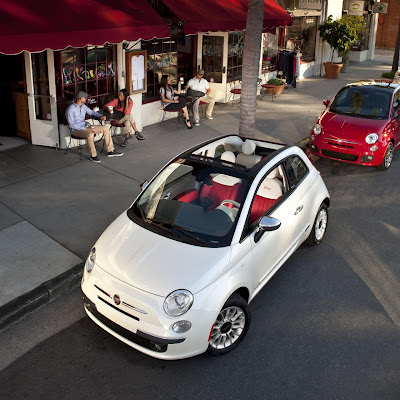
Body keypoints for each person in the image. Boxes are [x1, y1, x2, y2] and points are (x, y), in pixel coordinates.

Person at [66, 91, 123, 163]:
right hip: (76, 130)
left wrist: (100, 116)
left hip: (86, 126)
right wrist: (86, 128)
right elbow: (71, 125)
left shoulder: (83, 106)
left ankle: (110, 151)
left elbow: (92, 112)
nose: (86, 98)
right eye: (85, 97)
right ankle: (93, 156)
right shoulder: (70, 109)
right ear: (80, 99)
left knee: (105, 128)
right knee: (90, 134)